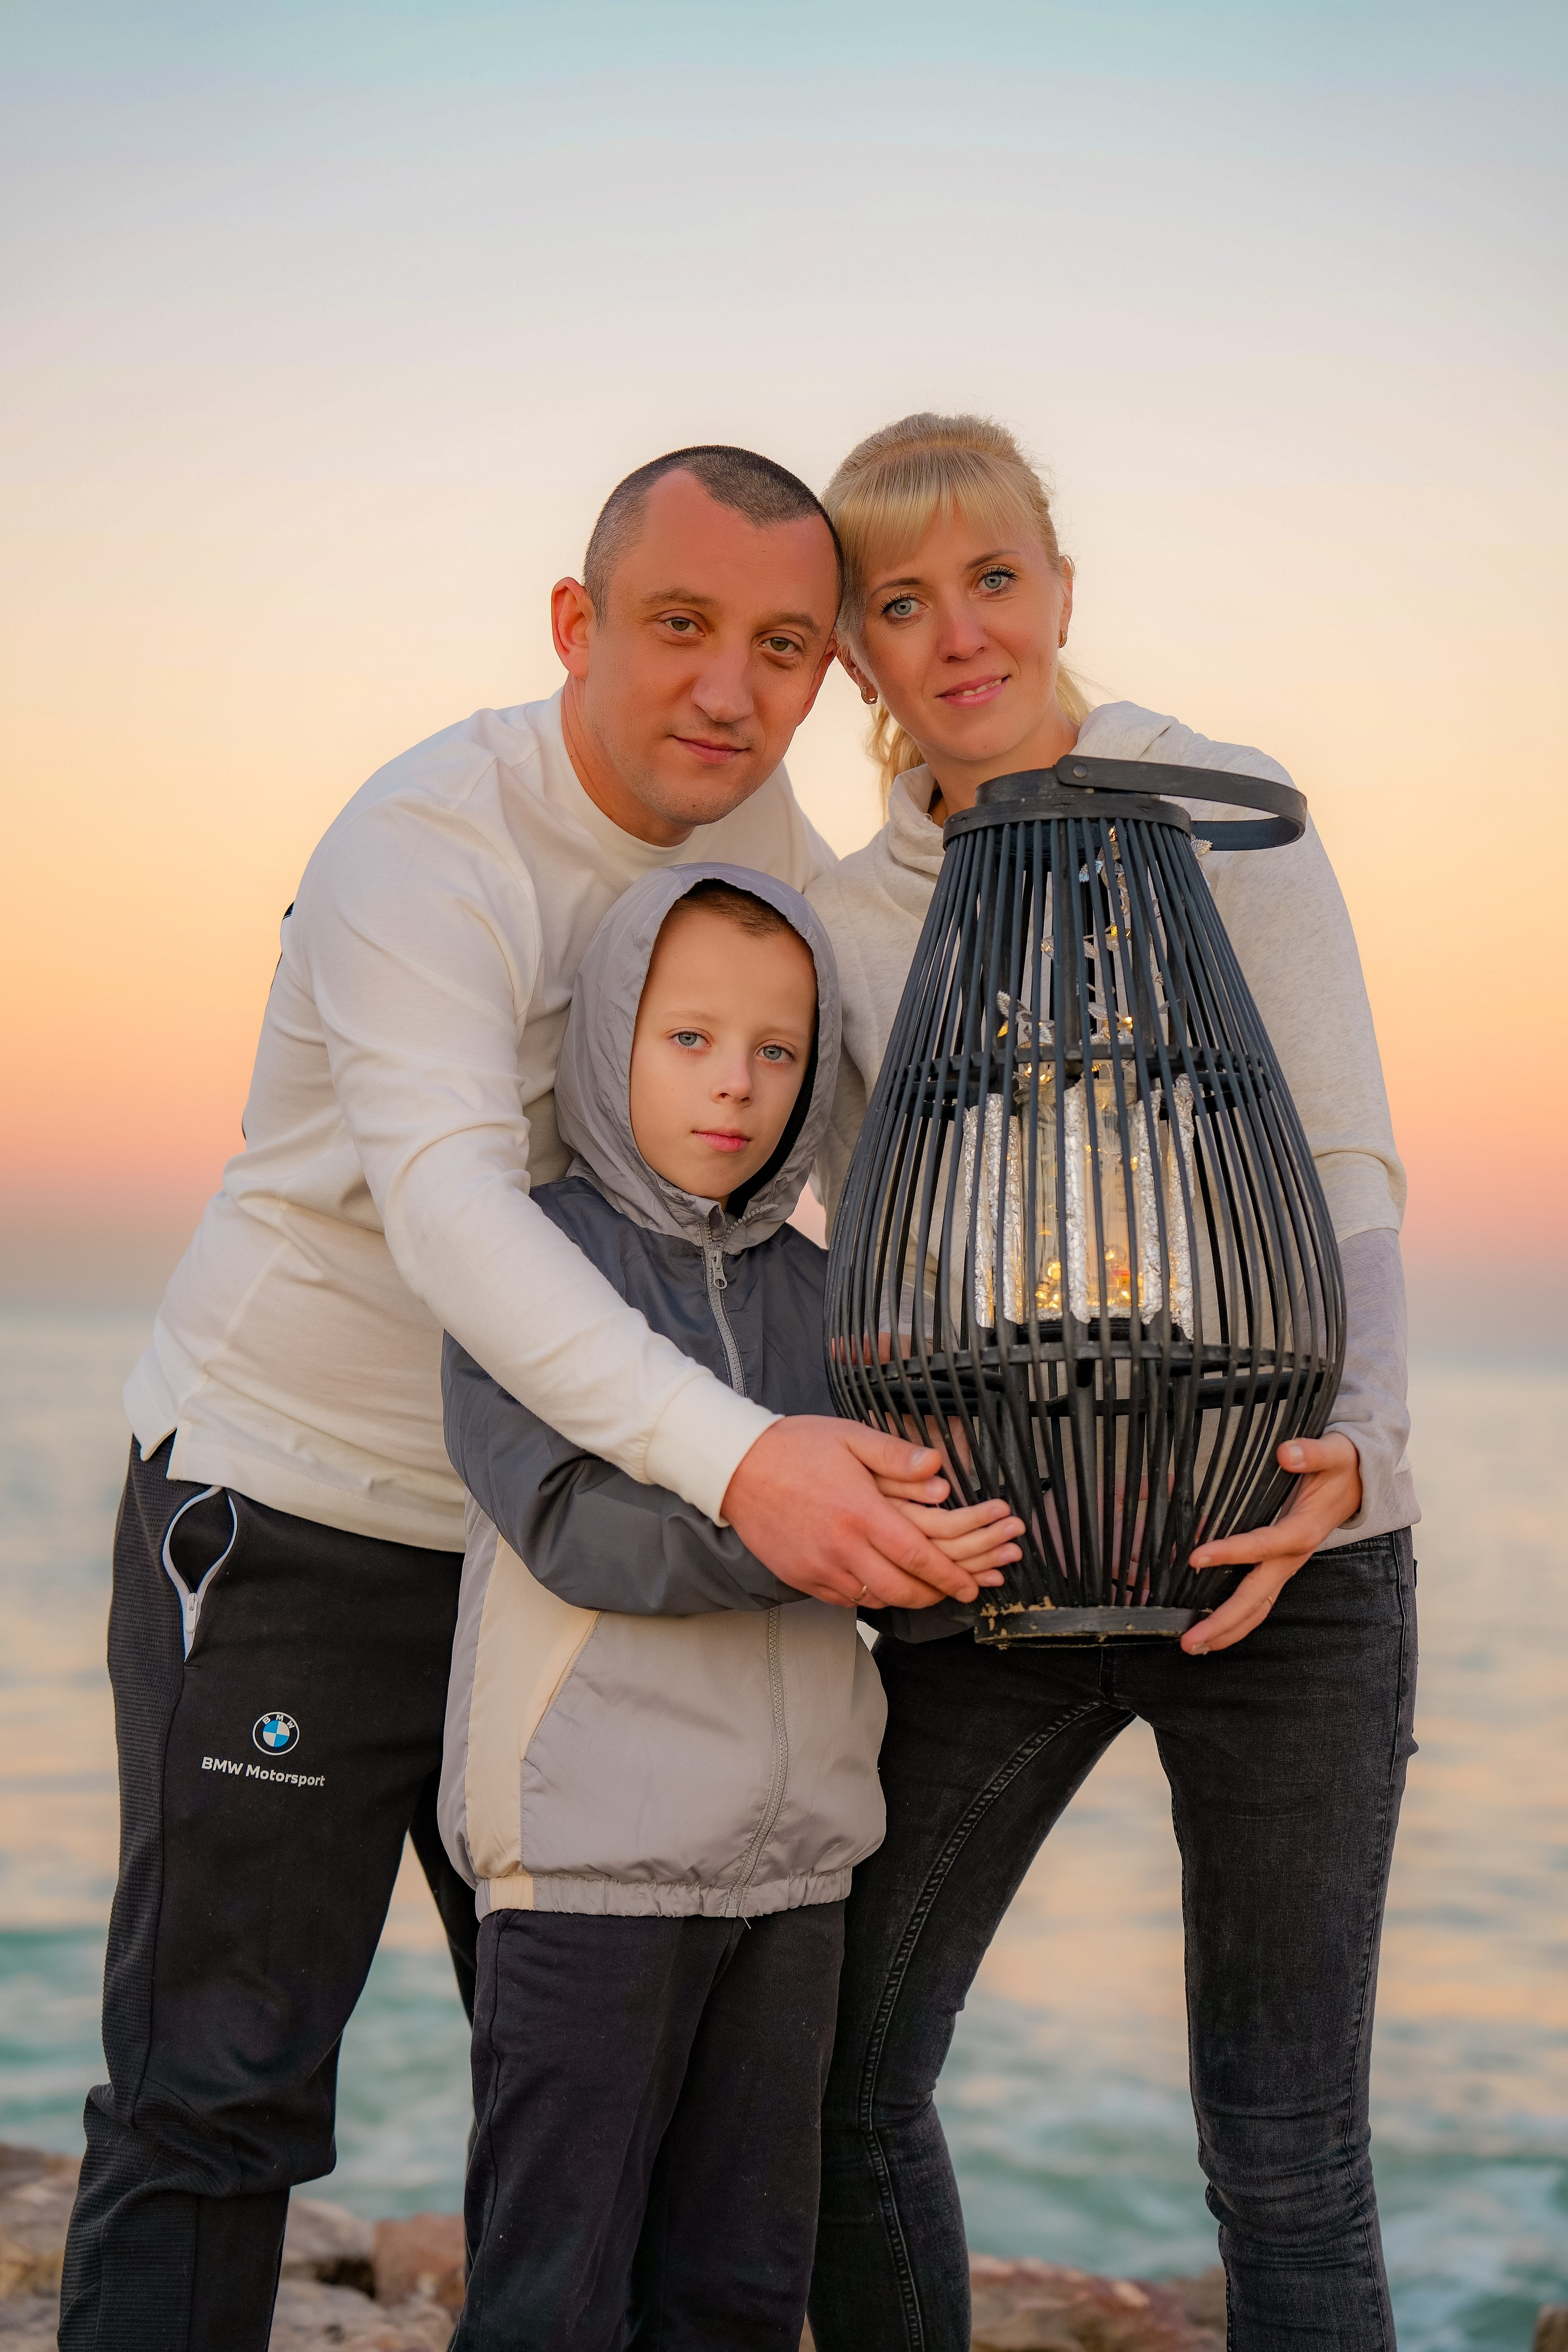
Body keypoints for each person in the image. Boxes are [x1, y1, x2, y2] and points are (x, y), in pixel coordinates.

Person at [61, 447, 982, 2352]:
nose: (730, 691)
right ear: (576, 625)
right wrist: (750, 1466)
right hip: (297, 1528)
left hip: (572, 1564)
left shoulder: (767, 839)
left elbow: (902, 1100)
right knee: (217, 2094)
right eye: (679, 628)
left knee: (620, 2126)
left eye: (787, 649)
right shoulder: (430, 843)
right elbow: (459, 1219)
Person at [803, 413, 1419, 2352]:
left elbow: (1340, 1164)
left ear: (1061, 587)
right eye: (902, 603)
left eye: (992, 579)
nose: (960, 633)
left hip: (1282, 1547)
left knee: (1287, 2136)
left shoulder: (1219, 804)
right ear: (860, 657)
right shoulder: (847, 922)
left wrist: (1360, 1469)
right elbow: (857, 1245)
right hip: (1002, 1561)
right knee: (849, 2071)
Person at [437, 866, 1022, 2350]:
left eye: (777, 1051)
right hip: (586, 1866)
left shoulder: (831, 1292)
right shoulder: (531, 1262)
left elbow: (906, 1510)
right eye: (690, 1038)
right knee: (552, 2293)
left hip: (796, 1871)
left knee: (743, 2295)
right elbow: (575, 1530)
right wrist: (817, 1542)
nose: (737, 1087)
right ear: (609, 1039)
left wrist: (958, 1550)